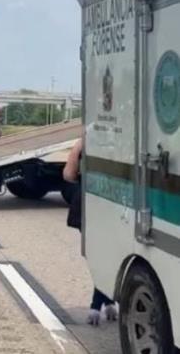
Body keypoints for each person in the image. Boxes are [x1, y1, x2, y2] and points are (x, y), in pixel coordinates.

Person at [63, 138, 118, 326]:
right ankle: (104, 304)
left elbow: (68, 175)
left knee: (99, 257)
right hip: (114, 200)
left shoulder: (84, 140)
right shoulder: (125, 134)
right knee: (109, 256)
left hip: (87, 203)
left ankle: (99, 305)